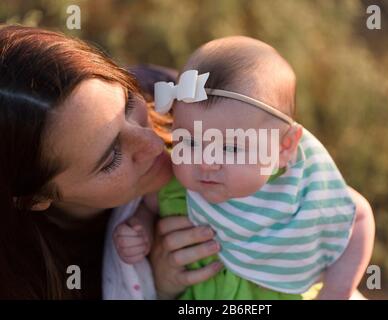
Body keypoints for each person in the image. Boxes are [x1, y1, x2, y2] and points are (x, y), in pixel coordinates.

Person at [114, 36, 375, 299]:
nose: (206, 162)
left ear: (284, 148)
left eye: (231, 148)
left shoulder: (296, 188)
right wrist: (140, 230)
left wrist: (337, 290)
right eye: (190, 142)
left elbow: (357, 216)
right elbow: (148, 206)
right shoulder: (175, 185)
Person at [0, 25, 222, 299]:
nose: (155, 144)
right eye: (111, 158)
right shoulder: (37, 284)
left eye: (129, 104)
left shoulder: (173, 95)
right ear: (36, 198)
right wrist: (158, 288)